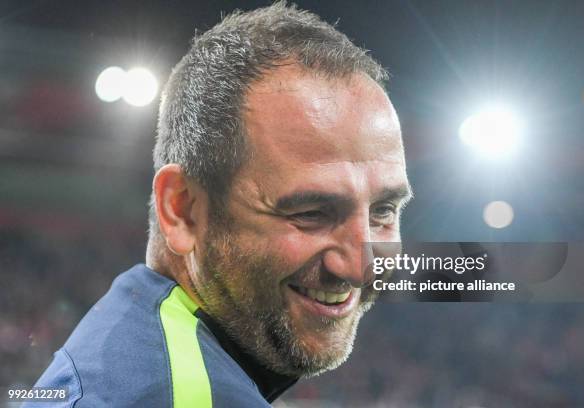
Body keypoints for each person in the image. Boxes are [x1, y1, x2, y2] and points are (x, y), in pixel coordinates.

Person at [28, 2, 411, 407]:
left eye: (383, 212)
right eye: (311, 213)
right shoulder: (188, 396)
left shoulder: (127, 338)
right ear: (183, 210)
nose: (363, 264)